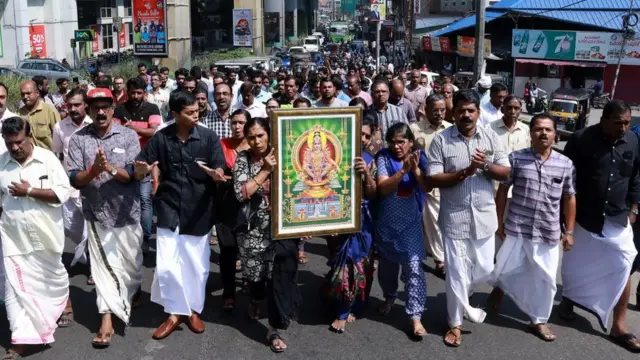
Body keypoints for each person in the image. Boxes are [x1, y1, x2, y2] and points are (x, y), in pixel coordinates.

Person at [134, 91, 225, 340]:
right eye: (190, 113)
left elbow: (219, 164)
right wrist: (141, 169)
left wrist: (216, 174)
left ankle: (194, 310)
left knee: (197, 267)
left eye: (197, 112)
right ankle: (175, 313)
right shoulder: (162, 138)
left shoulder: (207, 136)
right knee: (167, 267)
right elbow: (141, 163)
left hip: (199, 211)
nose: (196, 116)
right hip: (169, 209)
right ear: (175, 114)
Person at [427, 89, 510, 347]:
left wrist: (484, 166)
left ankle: (463, 292)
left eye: (470, 110)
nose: (466, 114)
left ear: (478, 112)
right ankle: (455, 323)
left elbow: (505, 172)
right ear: (454, 113)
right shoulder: (441, 140)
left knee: (485, 268)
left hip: (484, 217)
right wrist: (466, 172)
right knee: (455, 273)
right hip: (454, 217)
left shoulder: (491, 137)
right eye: (461, 110)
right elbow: (433, 177)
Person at [560, 100, 640, 352]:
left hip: (618, 217)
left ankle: (619, 325)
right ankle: (568, 301)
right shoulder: (581, 139)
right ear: (603, 120)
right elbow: (566, 178)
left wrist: (634, 208)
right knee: (576, 264)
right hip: (584, 216)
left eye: (627, 122)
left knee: (624, 263)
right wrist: (565, 217)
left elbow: (636, 176)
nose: (624, 128)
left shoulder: (634, 141)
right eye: (618, 123)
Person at [488, 114, 576, 342]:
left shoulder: (565, 164)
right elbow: (502, 191)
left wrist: (569, 232)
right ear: (531, 134)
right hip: (517, 226)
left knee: (546, 279)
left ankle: (538, 320)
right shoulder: (516, 158)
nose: (543, 133)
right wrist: (499, 221)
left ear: (556, 134)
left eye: (548, 130)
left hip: (548, 231)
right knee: (505, 268)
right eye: (538, 129)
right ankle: (500, 288)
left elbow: (569, 198)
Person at [66, 88, 143, 348]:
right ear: (88, 109)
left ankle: (130, 293)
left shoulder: (129, 135)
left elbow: (132, 174)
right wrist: (92, 172)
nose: (100, 112)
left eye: (105, 107)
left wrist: (108, 168)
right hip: (96, 214)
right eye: (95, 107)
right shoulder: (78, 140)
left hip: (127, 212)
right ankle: (106, 319)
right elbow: (75, 179)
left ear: (113, 109)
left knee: (130, 269)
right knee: (103, 271)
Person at [0, 116, 71, 360]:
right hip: (13, 239)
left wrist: (29, 191)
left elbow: (62, 194)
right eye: (9, 144)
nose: (15, 148)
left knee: (53, 282)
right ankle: (21, 340)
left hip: (47, 238)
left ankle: (59, 307)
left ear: (29, 136)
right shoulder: (1, 164)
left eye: (18, 142)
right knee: (14, 289)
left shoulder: (48, 159)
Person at [233, 117, 301, 353]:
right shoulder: (242, 159)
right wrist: (265, 170)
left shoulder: (286, 153)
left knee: (278, 278)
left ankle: (274, 328)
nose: (256, 141)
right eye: (251, 137)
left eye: (260, 135)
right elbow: (242, 193)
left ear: (269, 135)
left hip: (281, 229)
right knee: (255, 276)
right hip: (252, 231)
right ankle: (254, 299)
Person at [323, 116, 377, 333]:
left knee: (361, 263)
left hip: (364, 220)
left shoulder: (370, 160)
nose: (362, 139)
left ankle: (351, 308)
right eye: (359, 134)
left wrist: (366, 174)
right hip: (338, 216)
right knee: (341, 262)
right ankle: (342, 306)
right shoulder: (338, 157)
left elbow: (372, 194)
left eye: (366, 135)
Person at [375, 123, 429, 337]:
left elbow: (426, 187)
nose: (397, 146)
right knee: (388, 268)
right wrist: (402, 171)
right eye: (394, 142)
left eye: (402, 142)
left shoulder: (419, 157)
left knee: (414, 267)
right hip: (387, 224)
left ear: (410, 142)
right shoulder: (384, 158)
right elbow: (383, 187)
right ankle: (389, 297)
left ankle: (415, 316)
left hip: (410, 224)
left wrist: (414, 170)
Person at [114, 77, 162, 253]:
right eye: (132, 92)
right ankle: (126, 237)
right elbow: (116, 133)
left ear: (144, 93)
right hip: (124, 161)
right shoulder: (120, 109)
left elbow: (153, 131)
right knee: (124, 200)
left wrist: (132, 128)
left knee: (144, 200)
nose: (135, 96)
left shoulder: (152, 108)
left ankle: (146, 238)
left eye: (139, 93)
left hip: (145, 162)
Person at [410, 94, 451, 277]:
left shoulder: (452, 129)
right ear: (425, 110)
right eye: (435, 110)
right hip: (425, 184)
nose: (440, 114)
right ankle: (440, 260)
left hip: (450, 182)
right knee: (433, 222)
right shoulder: (415, 129)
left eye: (443, 110)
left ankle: (444, 255)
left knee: (446, 223)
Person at [52, 88, 93, 270]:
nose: (73, 109)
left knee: (92, 227)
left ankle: (95, 265)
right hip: (69, 184)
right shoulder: (60, 127)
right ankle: (85, 250)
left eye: (77, 105)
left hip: (94, 184)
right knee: (70, 224)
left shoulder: (94, 124)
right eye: (70, 105)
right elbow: (59, 155)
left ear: (85, 105)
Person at [216, 109, 250, 312]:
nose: (237, 127)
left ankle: (248, 280)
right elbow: (218, 168)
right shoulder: (222, 145)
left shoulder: (256, 146)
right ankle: (228, 293)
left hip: (250, 207)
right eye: (234, 122)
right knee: (227, 250)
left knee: (248, 248)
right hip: (226, 205)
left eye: (241, 122)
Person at [18, 81, 60, 151]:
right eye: (22, 94)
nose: (25, 97)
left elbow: (59, 137)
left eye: (28, 93)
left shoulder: (49, 110)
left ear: (37, 93)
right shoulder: (19, 113)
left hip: (47, 158)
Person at [366, 80, 409, 147]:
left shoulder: (399, 111)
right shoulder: (366, 112)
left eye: (383, 91)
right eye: (377, 92)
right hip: (372, 154)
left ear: (389, 93)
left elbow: (407, 133)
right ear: (372, 94)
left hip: (395, 152)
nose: (380, 94)